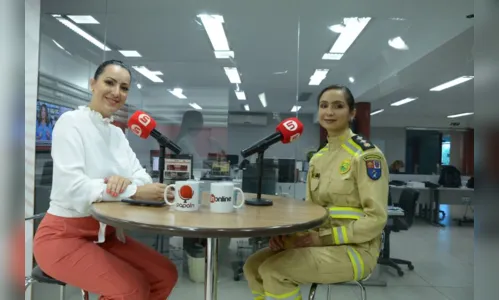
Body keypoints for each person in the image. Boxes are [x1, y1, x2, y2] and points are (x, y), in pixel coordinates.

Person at [33, 60, 178, 299]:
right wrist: (129, 190)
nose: (116, 92)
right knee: (131, 289)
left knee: (165, 274)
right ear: (93, 84)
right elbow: (75, 189)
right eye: (109, 83)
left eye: (124, 87)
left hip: (107, 235)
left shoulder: (117, 134)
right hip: (63, 237)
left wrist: (124, 183)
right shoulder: (71, 122)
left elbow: (142, 177)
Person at [243, 84, 389, 300]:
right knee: (252, 265)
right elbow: (311, 211)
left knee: (274, 271)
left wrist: (325, 238)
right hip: (318, 240)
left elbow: (376, 218)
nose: (329, 112)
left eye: (338, 106)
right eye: (324, 106)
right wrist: (287, 236)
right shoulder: (318, 158)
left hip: (355, 249)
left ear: (352, 113)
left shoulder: (366, 156)